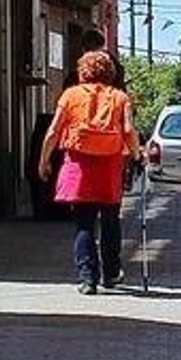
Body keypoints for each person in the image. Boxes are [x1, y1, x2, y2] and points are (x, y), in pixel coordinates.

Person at [38, 51, 143, 294]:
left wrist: (44, 160)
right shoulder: (120, 97)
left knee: (84, 223)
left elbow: (53, 131)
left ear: (83, 71)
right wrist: (137, 154)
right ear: (110, 72)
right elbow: (129, 130)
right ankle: (112, 272)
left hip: (79, 167)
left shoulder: (70, 95)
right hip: (110, 168)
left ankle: (87, 278)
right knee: (110, 220)